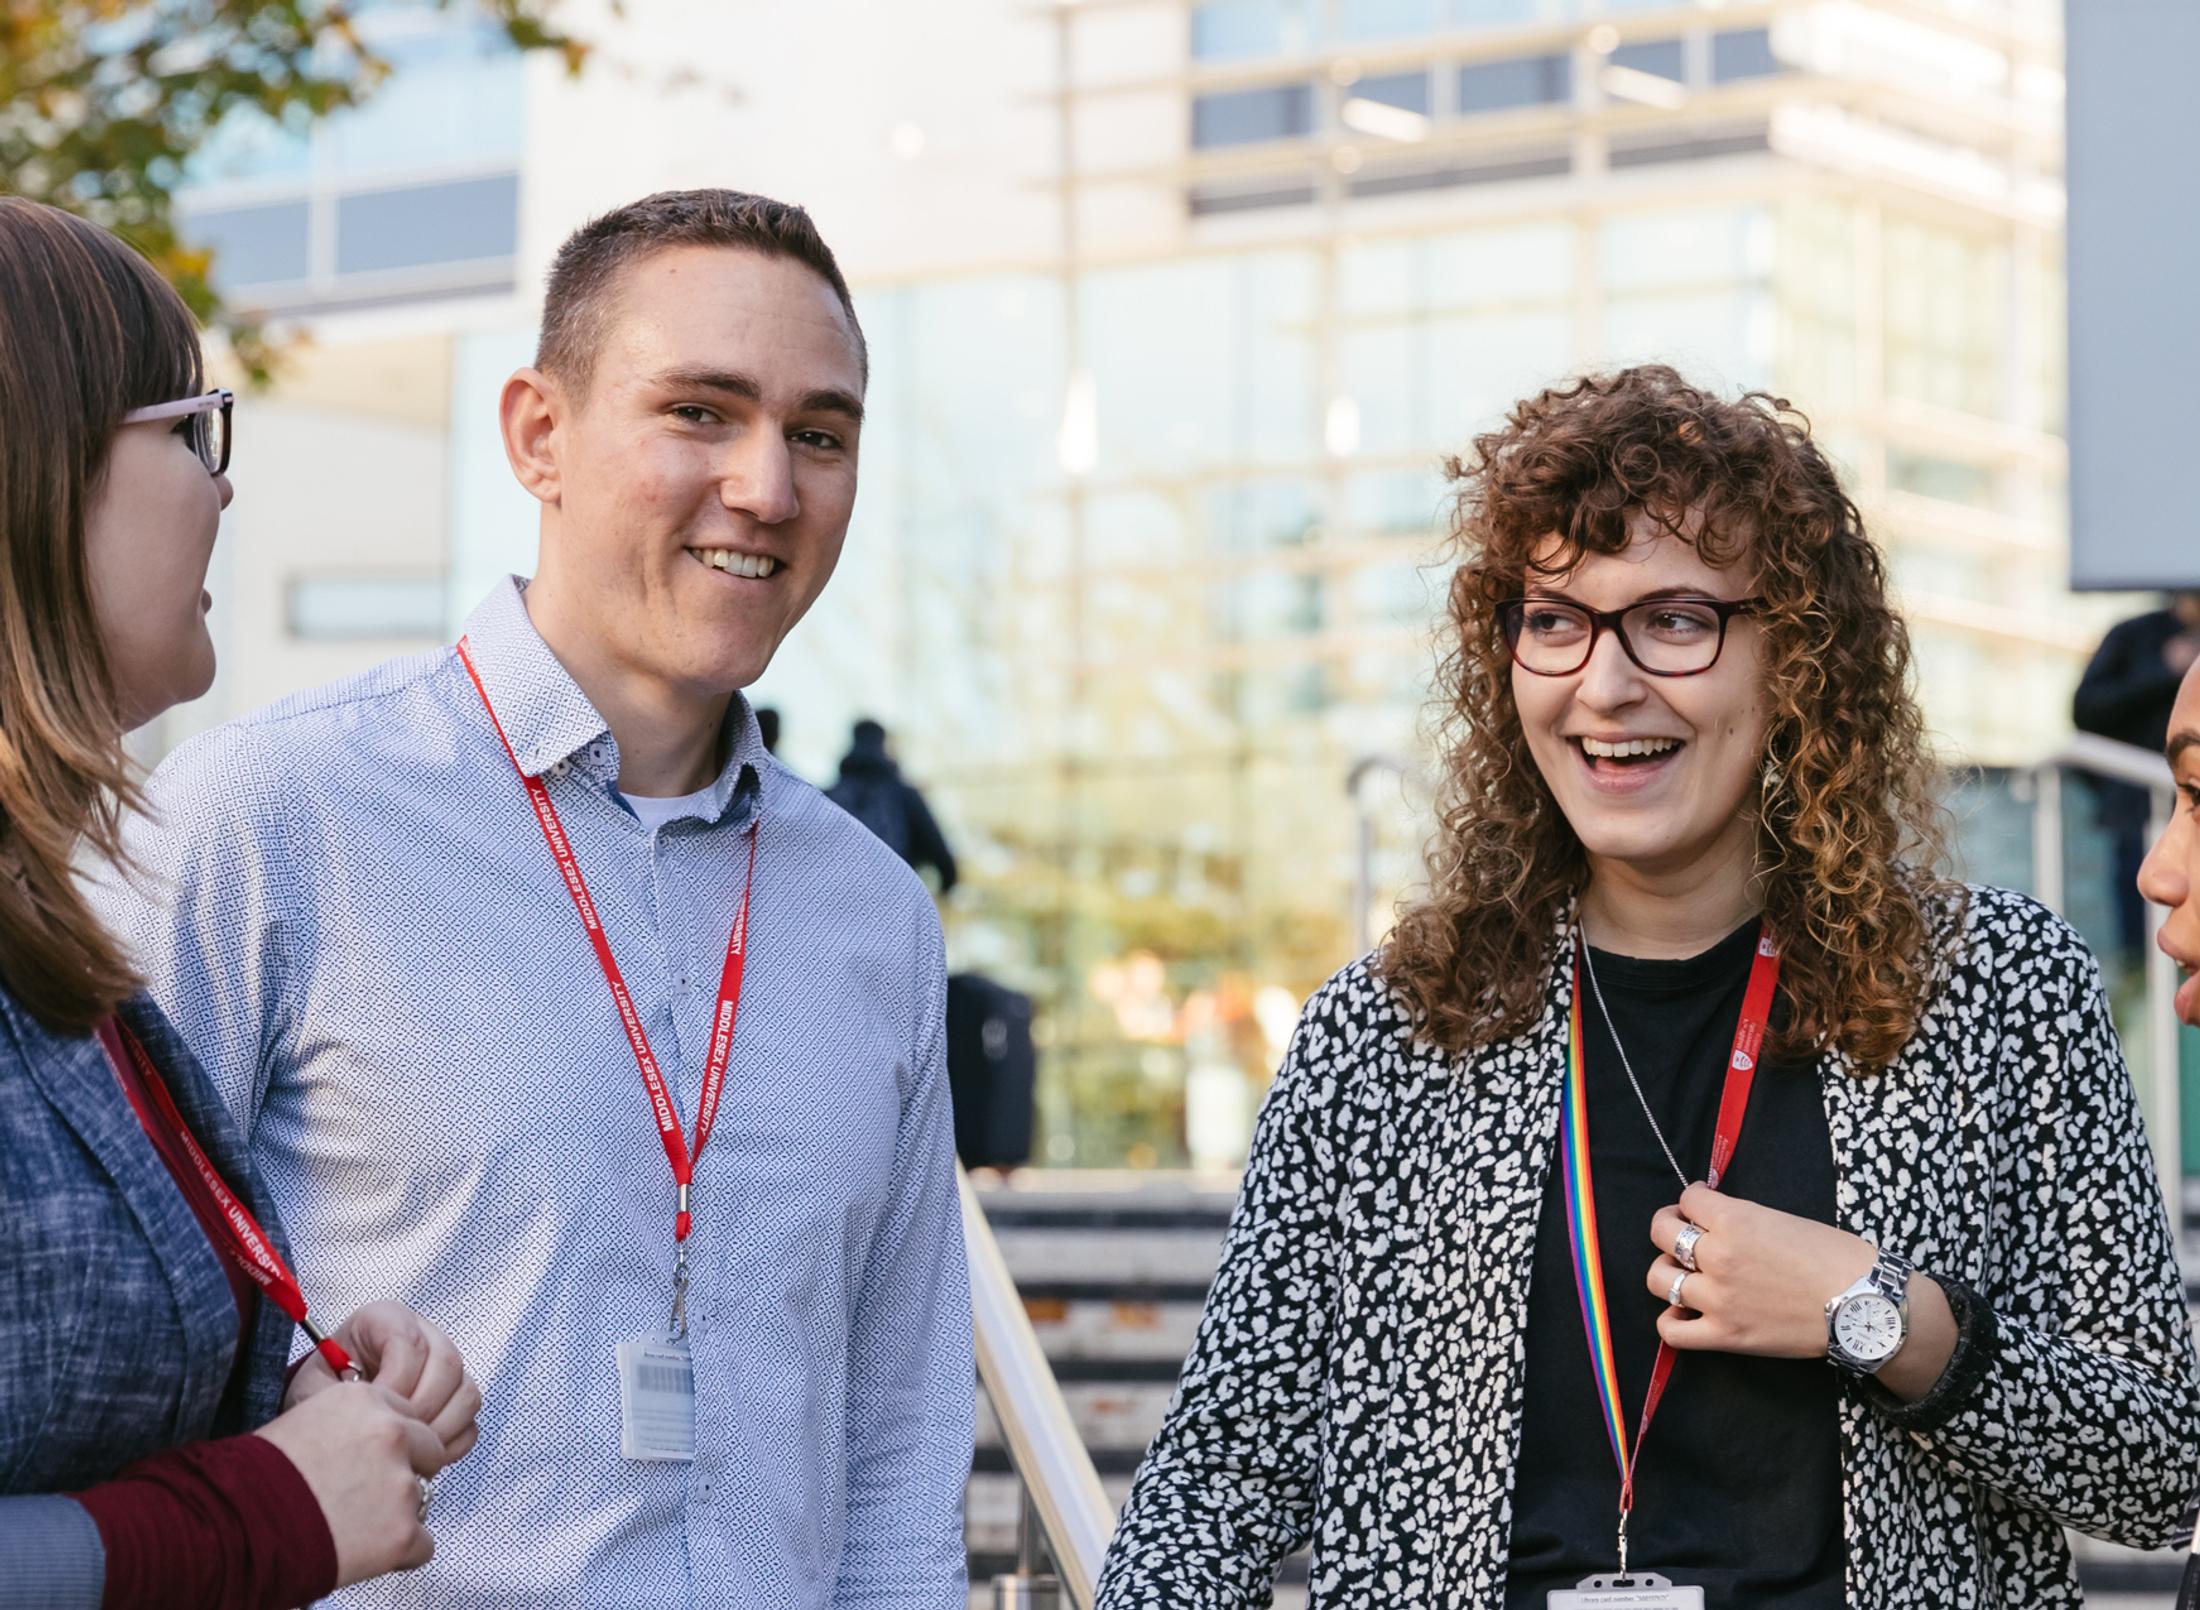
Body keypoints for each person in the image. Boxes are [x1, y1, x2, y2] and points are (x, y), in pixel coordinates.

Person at [1096, 366, 2200, 1608]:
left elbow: (2158, 1469)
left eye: (1673, 620)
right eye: (1554, 619)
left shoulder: (1994, 988)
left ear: (1795, 656)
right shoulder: (1387, 1032)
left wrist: (1878, 1313)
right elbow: (1215, 1484)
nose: (1604, 683)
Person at [102, 188, 972, 1608]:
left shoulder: (877, 915)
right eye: (699, 411)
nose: (767, 486)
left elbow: (899, 1442)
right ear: (536, 435)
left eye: (819, 434)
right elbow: (101, 1352)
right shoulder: (268, 815)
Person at [0, 199, 478, 1609]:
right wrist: (260, 1506)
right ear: (36, 466)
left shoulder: (53, 939)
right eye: (191, 431)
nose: (223, 492)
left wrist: (277, 1386)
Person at [2073, 590, 2200, 959]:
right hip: (2134, 800)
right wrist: (2163, 670)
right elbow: (2087, 709)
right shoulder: (2134, 634)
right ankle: (2139, 978)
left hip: (2165, 800)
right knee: (2139, 900)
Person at [827, 717, 959, 894]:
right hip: (893, 897)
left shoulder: (831, 795)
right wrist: (947, 883)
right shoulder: (903, 793)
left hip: (838, 896)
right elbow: (936, 846)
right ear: (883, 744)